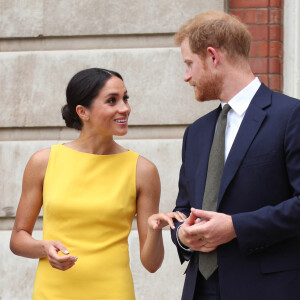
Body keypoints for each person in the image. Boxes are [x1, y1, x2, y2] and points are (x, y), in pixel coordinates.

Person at [10, 68, 186, 299]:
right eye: (112, 100)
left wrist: (155, 229)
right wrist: (44, 248)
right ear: (83, 111)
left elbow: (151, 264)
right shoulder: (43, 162)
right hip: (53, 291)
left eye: (125, 98)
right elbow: (18, 238)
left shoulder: (143, 170)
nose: (124, 108)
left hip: (113, 291)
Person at [171, 10, 300, 300]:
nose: (186, 76)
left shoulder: (291, 116)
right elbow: (182, 209)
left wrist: (236, 227)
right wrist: (182, 235)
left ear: (213, 57)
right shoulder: (196, 133)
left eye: (189, 63)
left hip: (269, 290)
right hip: (199, 290)